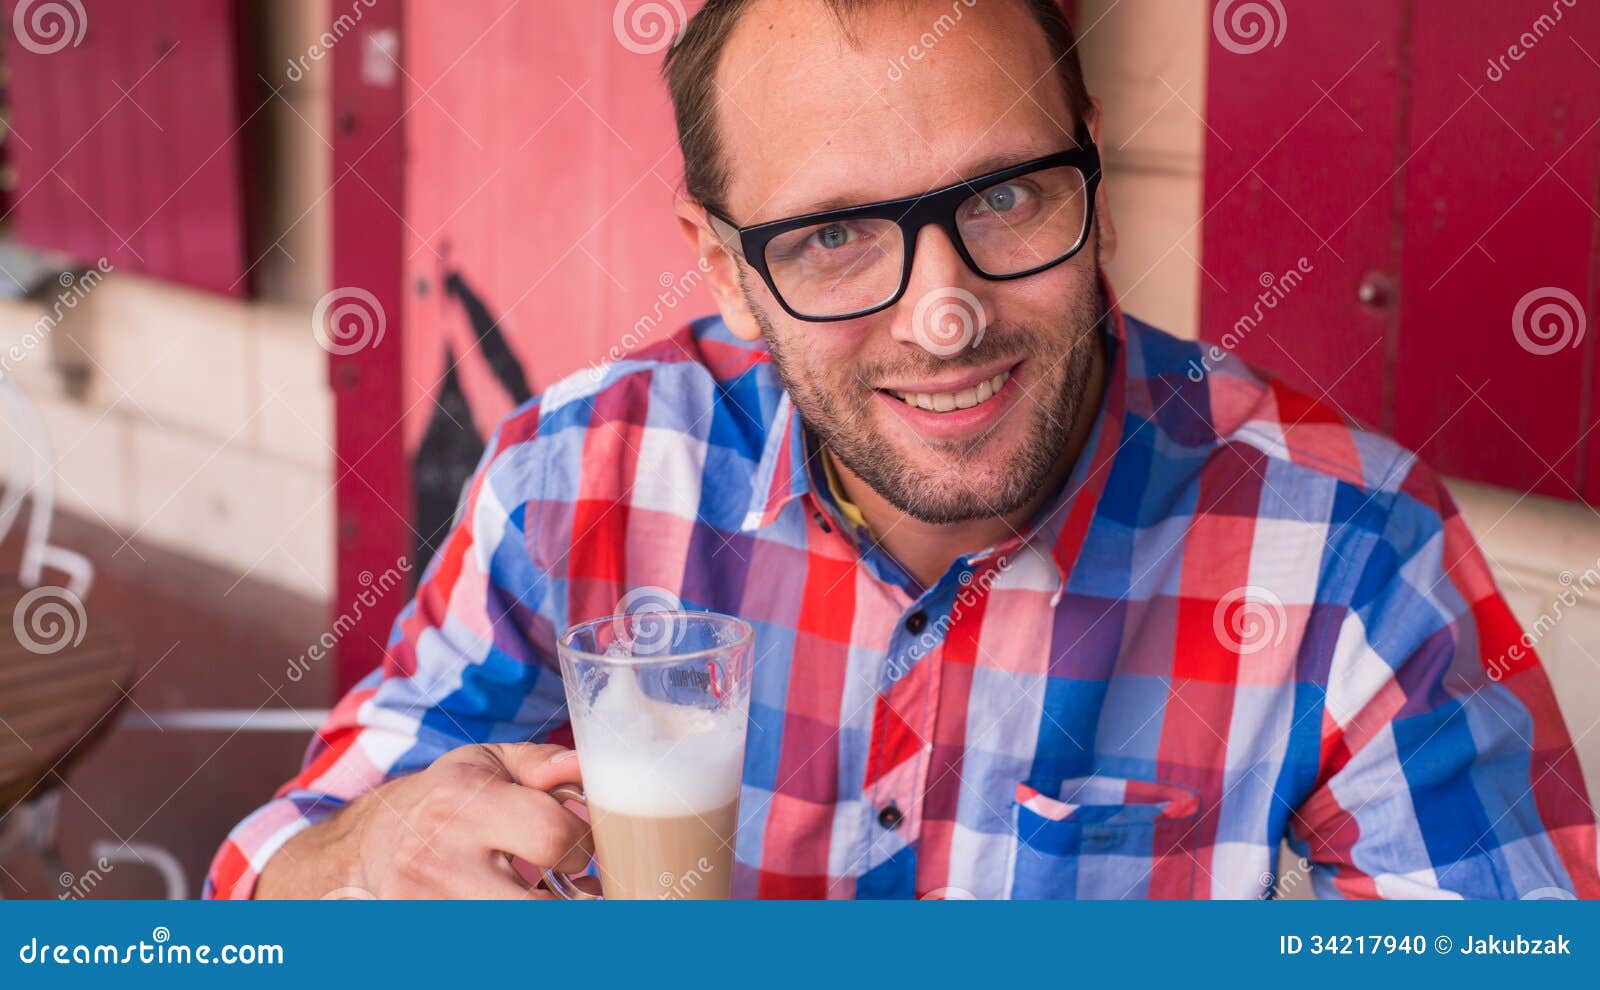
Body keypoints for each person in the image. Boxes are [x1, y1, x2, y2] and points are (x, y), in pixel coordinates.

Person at [208, 0, 1599, 900]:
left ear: (1094, 176)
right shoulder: (577, 480)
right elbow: (272, 871)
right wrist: (352, 858)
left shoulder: (1350, 544)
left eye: (1002, 194)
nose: (945, 314)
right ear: (724, 268)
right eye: (831, 233)